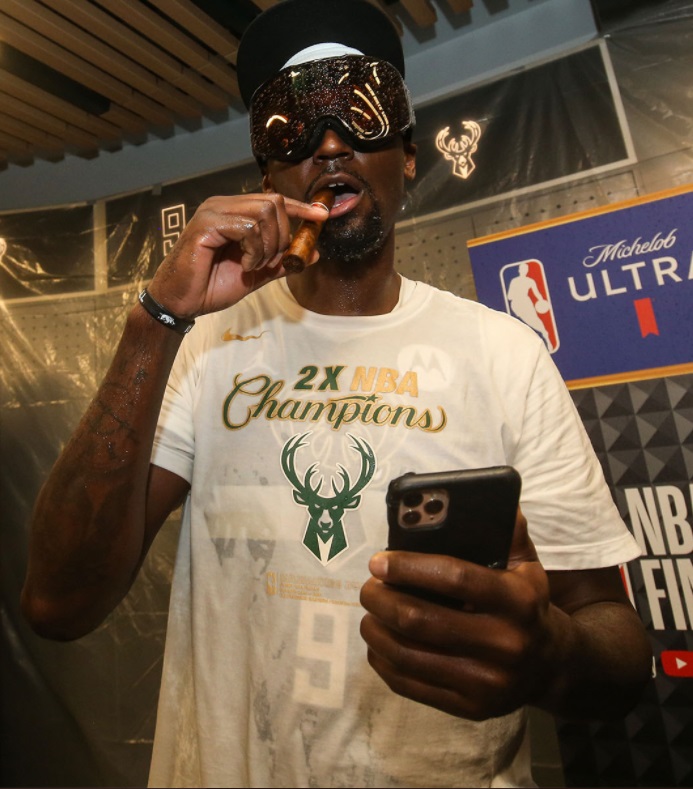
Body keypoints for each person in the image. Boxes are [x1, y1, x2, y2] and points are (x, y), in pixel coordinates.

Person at [22, 0, 651, 786]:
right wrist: (157, 320)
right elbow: (57, 603)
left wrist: (549, 655)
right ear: (268, 175)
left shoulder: (504, 355)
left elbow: (618, 645)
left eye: (359, 115)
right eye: (291, 127)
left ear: (409, 153)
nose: (326, 145)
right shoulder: (210, 347)